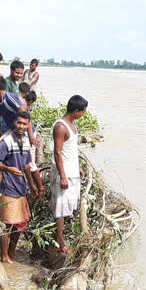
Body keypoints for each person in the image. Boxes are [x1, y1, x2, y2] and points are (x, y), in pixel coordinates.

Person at [0, 112, 43, 264]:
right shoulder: (6, 142)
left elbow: (28, 165)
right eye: (19, 123)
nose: (21, 126)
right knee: (7, 224)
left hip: (21, 188)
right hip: (8, 188)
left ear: (28, 125)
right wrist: (8, 169)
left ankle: (11, 252)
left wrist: (33, 186)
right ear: (14, 122)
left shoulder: (27, 141)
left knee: (19, 224)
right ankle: (4, 256)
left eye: (25, 124)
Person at [51, 95, 87, 253]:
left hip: (72, 172)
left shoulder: (72, 125)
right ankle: (59, 243)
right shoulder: (61, 127)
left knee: (67, 207)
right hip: (64, 174)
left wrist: (78, 166)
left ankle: (59, 238)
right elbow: (57, 153)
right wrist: (63, 176)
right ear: (77, 111)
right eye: (83, 111)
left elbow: (72, 149)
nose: (84, 114)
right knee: (60, 208)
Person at [0, 75, 40, 165]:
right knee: (3, 147)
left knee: (30, 164)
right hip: (15, 131)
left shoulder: (9, 98)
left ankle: (33, 179)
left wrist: (31, 136)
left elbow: (25, 115)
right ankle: (4, 175)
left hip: (26, 130)